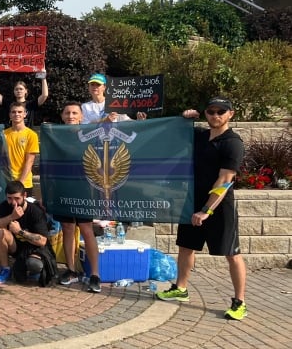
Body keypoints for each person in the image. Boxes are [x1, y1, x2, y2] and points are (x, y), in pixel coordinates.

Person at [157, 96, 247, 321]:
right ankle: (181, 288)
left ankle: (240, 302)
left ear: (230, 114)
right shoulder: (199, 136)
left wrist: (206, 210)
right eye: (211, 111)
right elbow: (169, 134)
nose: (215, 116)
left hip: (218, 208)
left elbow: (225, 181)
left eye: (221, 112)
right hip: (192, 201)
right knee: (186, 247)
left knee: (231, 254)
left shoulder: (232, 142)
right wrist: (185, 118)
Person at [54, 101, 102, 293]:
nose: (71, 116)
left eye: (75, 113)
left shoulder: (89, 136)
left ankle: (95, 274)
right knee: (67, 228)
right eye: (67, 113)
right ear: (62, 116)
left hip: (84, 190)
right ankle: (71, 270)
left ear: (81, 116)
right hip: (63, 188)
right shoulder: (56, 135)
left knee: (86, 229)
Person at [0, 181, 49, 285]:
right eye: (10, 198)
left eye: (17, 198)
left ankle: (33, 270)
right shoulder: (4, 206)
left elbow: (43, 241)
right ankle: (5, 269)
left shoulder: (35, 211)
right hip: (15, 246)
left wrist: (20, 232)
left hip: (33, 249)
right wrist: (11, 217)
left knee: (34, 265)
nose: (13, 202)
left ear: (24, 195)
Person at [81, 73, 146, 123]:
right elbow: (85, 127)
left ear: (104, 87)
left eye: (98, 84)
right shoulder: (84, 107)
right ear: (88, 87)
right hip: (93, 140)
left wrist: (138, 121)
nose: (94, 87)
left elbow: (126, 121)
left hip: (113, 139)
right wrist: (104, 121)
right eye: (92, 84)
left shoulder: (115, 103)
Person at [4, 102, 39, 193]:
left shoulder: (31, 135)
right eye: (13, 112)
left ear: (25, 114)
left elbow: (30, 161)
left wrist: (20, 183)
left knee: (23, 208)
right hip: (5, 181)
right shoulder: (3, 134)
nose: (17, 114)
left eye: (20, 112)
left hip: (23, 183)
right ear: (10, 115)